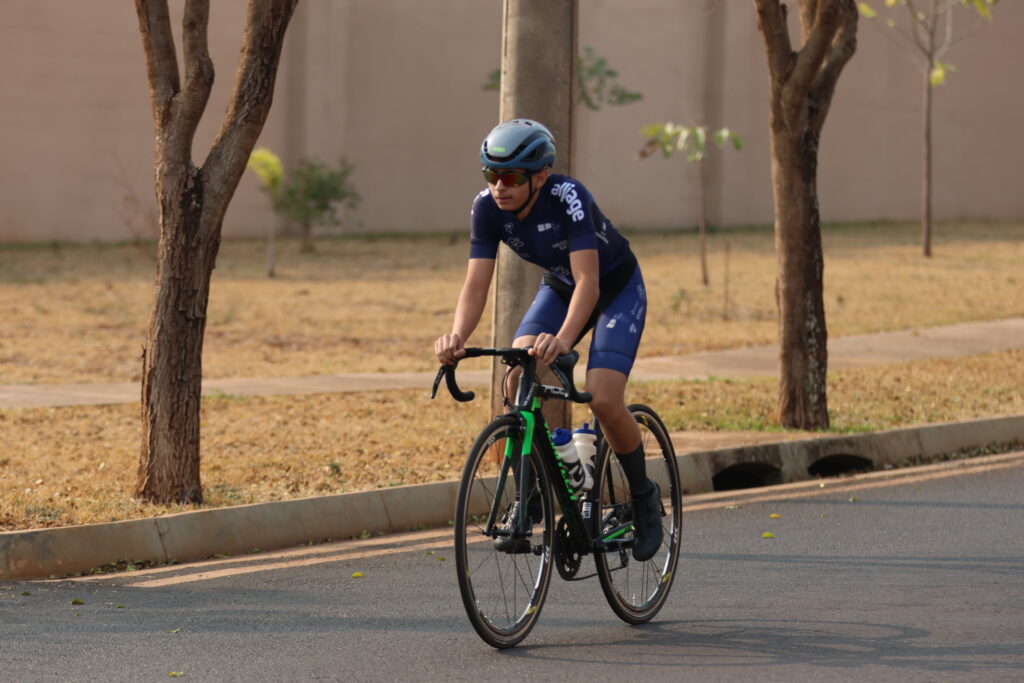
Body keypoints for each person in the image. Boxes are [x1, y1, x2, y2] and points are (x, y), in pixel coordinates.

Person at [433, 118, 662, 561]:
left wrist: (562, 339)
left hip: (614, 288)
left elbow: (589, 282)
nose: (500, 186)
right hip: (559, 288)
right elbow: (476, 285)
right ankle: (529, 493)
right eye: (491, 175)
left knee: (602, 398)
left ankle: (643, 498)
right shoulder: (486, 208)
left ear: (540, 175)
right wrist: (457, 336)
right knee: (515, 373)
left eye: (512, 177)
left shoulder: (569, 197)